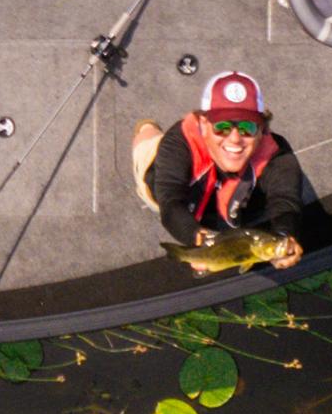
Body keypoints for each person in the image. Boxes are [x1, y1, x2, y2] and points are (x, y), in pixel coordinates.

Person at [131, 73, 314, 272]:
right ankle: (147, 127)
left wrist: (284, 236)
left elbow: (285, 201)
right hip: (167, 187)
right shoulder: (177, 144)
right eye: (222, 126)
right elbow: (170, 202)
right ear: (202, 125)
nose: (235, 138)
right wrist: (196, 237)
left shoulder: (277, 154)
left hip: (234, 205)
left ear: (262, 129)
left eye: (247, 127)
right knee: (145, 142)